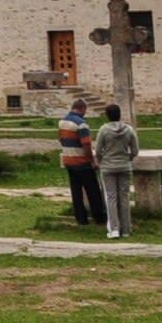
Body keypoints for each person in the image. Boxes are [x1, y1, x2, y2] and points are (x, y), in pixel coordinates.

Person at [95, 102, 142, 239]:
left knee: (111, 197)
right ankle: (126, 229)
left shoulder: (104, 130)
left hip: (108, 167)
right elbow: (135, 150)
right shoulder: (129, 129)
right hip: (124, 166)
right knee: (125, 197)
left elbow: (98, 150)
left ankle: (114, 229)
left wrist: (100, 160)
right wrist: (128, 158)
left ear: (107, 116)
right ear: (119, 114)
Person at [59, 97, 106, 227]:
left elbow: (61, 139)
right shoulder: (81, 124)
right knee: (93, 191)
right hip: (82, 162)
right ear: (83, 109)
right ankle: (99, 217)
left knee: (76, 191)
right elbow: (86, 144)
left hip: (69, 159)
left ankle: (81, 218)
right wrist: (92, 160)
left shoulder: (62, 122)